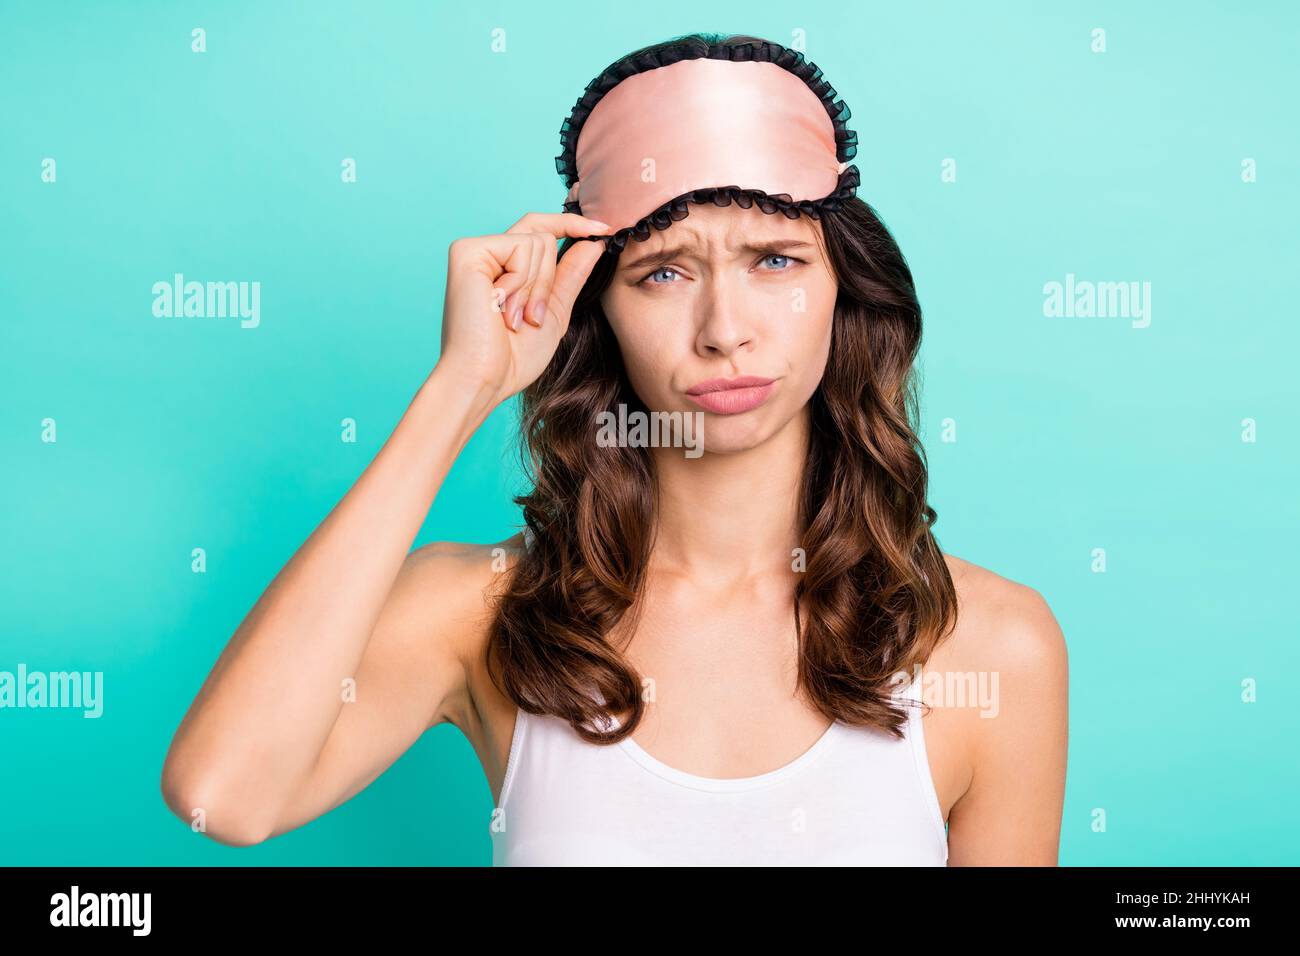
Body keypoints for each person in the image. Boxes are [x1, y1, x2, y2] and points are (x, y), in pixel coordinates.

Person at [161, 32, 1068, 866]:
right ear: (599, 311)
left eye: (776, 261)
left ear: (846, 292)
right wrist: (460, 389)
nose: (724, 331)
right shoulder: (480, 613)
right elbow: (223, 797)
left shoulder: (991, 645)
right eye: (664, 272)